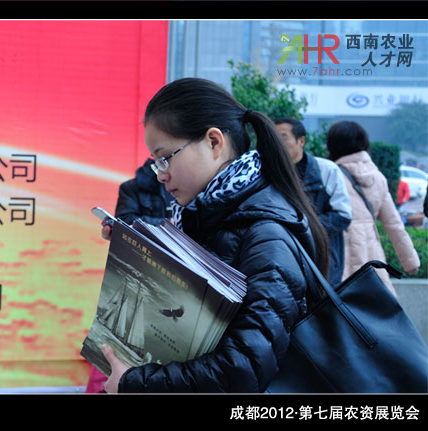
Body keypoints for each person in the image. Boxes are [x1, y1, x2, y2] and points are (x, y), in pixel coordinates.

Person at [101, 77, 329, 393]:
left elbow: (241, 370)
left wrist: (134, 384)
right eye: (156, 163)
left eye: (165, 157)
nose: (161, 175)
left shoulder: (267, 237)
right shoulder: (206, 217)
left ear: (214, 142)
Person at [87, 158, 174, 393]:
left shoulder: (193, 185)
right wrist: (171, 225)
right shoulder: (132, 188)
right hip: (138, 278)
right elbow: (126, 223)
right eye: (161, 156)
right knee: (113, 349)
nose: (166, 175)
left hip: (175, 287)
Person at [326, 121, 419, 295]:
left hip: (340, 257)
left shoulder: (330, 175)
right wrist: (411, 262)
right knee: (375, 306)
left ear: (332, 145)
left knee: (341, 307)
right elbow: (394, 224)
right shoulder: (378, 177)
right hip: (371, 256)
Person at [274, 118, 352, 287]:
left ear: (301, 141)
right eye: (274, 137)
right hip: (282, 261)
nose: (277, 143)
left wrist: (303, 227)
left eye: (283, 137)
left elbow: (343, 216)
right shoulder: (269, 173)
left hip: (322, 262)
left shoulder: (326, 170)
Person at [100, 158, 174, 241]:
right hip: (141, 244)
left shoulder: (181, 185)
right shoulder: (131, 187)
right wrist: (167, 224)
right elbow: (125, 220)